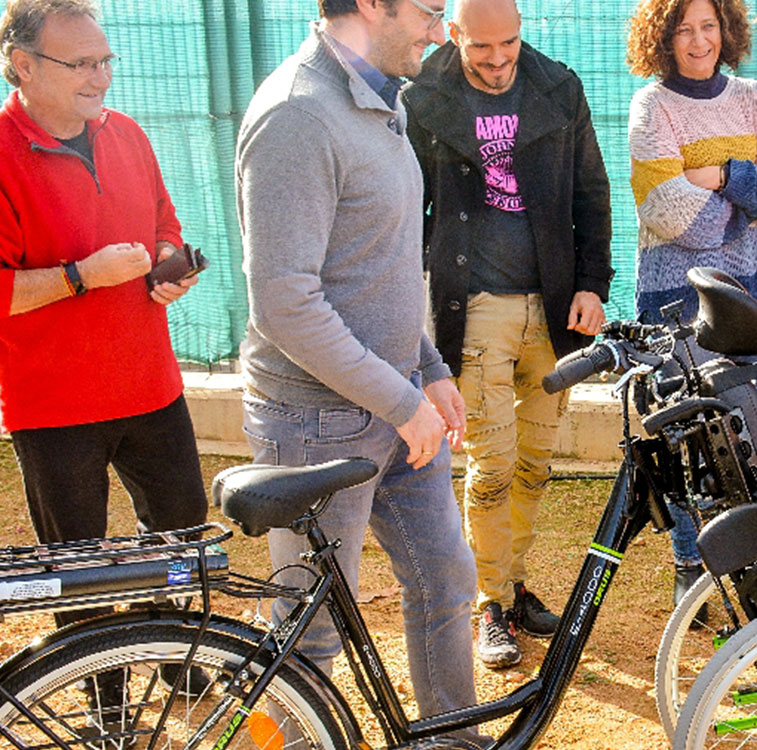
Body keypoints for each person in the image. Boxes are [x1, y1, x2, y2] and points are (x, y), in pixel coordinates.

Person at [235, 0, 481, 732]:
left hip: (399, 401)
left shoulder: (381, 100)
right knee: (309, 632)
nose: (441, 33)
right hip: (316, 421)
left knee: (444, 577)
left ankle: (451, 741)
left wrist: (429, 368)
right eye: (432, 11)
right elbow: (284, 302)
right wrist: (402, 400)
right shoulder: (297, 117)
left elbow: (389, 262)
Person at [0, 0, 210, 716]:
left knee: (184, 536)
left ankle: (184, 670)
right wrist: (82, 275)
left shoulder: (127, 133)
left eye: (105, 60)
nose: (101, 78)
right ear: (23, 66)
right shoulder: (0, 151)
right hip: (54, 406)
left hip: (152, 386)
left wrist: (168, 267)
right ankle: (108, 704)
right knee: (80, 568)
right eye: (82, 64)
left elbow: (163, 225)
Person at [402, 0, 613, 670]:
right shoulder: (422, 97)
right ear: (454, 34)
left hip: (553, 307)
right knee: (491, 467)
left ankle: (512, 584)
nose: (497, 61)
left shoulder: (559, 86)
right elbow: (407, 208)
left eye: (509, 45)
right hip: (473, 306)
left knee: (536, 464)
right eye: (481, 48)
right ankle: (488, 602)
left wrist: (593, 284)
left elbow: (591, 193)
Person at [625, 0, 757, 610]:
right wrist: (751, 199)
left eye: (709, 25)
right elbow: (670, 213)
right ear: (663, 38)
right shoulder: (651, 106)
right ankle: (689, 564)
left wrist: (723, 174)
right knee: (689, 431)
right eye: (683, 30)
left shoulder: (752, 96)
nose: (699, 40)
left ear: (726, 28)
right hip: (683, 300)